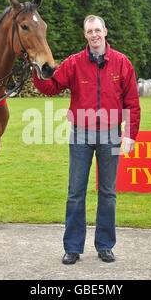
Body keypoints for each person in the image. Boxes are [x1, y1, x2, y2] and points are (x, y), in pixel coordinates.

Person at [33, 15, 141, 264]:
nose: (94, 35)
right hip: (80, 134)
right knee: (75, 193)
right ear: (85, 35)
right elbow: (52, 87)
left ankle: (104, 245)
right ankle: (72, 247)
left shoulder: (122, 63)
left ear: (105, 31)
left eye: (97, 30)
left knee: (108, 193)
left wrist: (131, 134)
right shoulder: (74, 63)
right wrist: (38, 72)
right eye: (89, 31)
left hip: (111, 135)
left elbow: (132, 103)